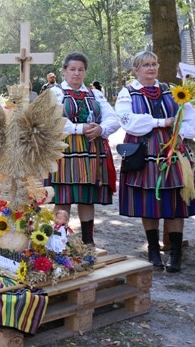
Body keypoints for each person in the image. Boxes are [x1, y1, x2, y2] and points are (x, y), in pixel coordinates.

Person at [114, 51, 195, 272]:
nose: (151, 68)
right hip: (145, 151)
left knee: (174, 202)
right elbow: (129, 122)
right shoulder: (128, 93)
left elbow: (188, 118)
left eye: (154, 64)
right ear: (135, 69)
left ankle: (175, 253)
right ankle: (153, 249)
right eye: (145, 65)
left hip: (173, 150)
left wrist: (179, 129)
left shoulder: (171, 91)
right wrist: (163, 122)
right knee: (148, 202)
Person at [47, 52, 120, 246]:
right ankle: (58, 241)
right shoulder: (55, 93)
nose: (76, 73)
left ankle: (88, 242)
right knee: (63, 197)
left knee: (87, 198)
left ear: (85, 71)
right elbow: (51, 121)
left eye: (80, 69)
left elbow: (113, 118)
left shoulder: (95, 94)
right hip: (64, 150)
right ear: (64, 71)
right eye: (72, 69)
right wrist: (80, 128)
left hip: (91, 150)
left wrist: (101, 128)